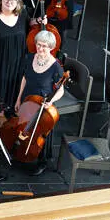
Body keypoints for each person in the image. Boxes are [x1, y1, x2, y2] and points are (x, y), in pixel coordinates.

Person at [13, 30, 64, 175]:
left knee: (40, 134)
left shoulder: (56, 67)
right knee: (24, 127)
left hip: (42, 104)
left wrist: (51, 101)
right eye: (38, 44)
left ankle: (42, 161)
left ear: (51, 47)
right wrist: (18, 98)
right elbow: (24, 78)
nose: (40, 48)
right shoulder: (30, 58)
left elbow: (61, 91)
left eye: (44, 46)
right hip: (27, 99)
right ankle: (24, 150)